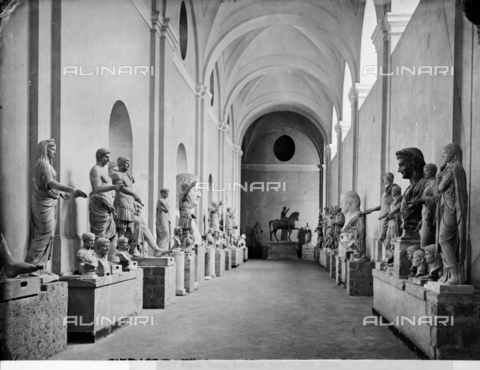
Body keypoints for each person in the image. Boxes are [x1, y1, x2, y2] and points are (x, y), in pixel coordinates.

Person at [26, 139, 86, 276]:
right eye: (53, 148)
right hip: (42, 204)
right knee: (45, 234)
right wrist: (71, 189)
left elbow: (48, 186)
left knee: (48, 235)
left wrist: (59, 194)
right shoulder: (42, 164)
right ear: (45, 149)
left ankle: (39, 268)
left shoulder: (47, 164)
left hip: (48, 202)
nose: (55, 151)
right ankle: (30, 266)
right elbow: (49, 183)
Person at [436, 143, 468, 285]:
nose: (442, 155)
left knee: (444, 239)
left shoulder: (453, 168)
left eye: (444, 152)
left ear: (452, 154)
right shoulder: (454, 168)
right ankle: (450, 274)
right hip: (448, 208)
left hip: (451, 210)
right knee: (447, 241)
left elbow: (441, 188)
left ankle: (455, 275)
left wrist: (440, 175)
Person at [89, 148, 124, 263]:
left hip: (108, 207)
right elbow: (97, 189)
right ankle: (98, 261)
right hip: (99, 206)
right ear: (99, 157)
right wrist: (114, 187)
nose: (108, 159)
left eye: (109, 156)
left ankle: (106, 259)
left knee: (112, 233)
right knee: (100, 235)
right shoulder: (96, 170)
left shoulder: (104, 170)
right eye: (106, 157)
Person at [364, 173, 397, 243]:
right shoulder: (387, 189)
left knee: (383, 236)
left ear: (388, 179)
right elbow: (383, 204)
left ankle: (389, 251)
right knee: (383, 236)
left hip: (387, 214)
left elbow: (394, 202)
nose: (383, 180)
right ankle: (387, 251)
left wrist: (390, 212)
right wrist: (372, 209)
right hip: (383, 214)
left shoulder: (393, 188)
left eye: (384, 178)